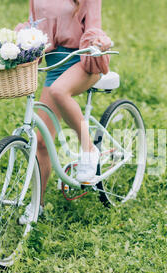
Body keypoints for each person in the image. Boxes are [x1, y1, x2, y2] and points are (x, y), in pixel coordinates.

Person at [15, 0, 112, 208]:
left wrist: (97, 42)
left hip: (83, 61)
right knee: (40, 142)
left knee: (59, 91)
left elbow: (94, 25)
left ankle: (89, 150)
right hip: (54, 65)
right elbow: (34, 24)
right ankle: (36, 206)